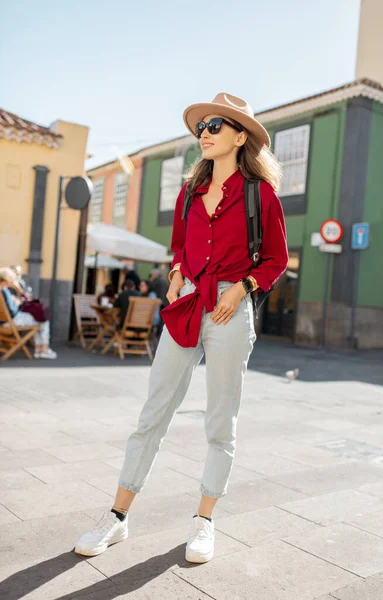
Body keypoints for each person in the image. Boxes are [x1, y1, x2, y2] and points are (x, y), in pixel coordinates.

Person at [75, 92, 288, 563]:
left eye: (214, 126)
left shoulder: (261, 195)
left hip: (231, 310)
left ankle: (205, 522)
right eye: (201, 129)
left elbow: (276, 258)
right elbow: (178, 247)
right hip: (188, 304)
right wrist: (175, 273)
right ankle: (116, 517)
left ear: (240, 135)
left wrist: (243, 287)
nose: (205, 135)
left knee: (220, 421)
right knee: (153, 414)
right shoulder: (190, 192)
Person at [0, 267, 57, 359]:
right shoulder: (4, 291)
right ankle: (44, 350)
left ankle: (39, 350)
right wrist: (17, 303)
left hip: (2, 323)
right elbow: (12, 311)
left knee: (38, 320)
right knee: (42, 319)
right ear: (6, 280)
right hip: (11, 322)